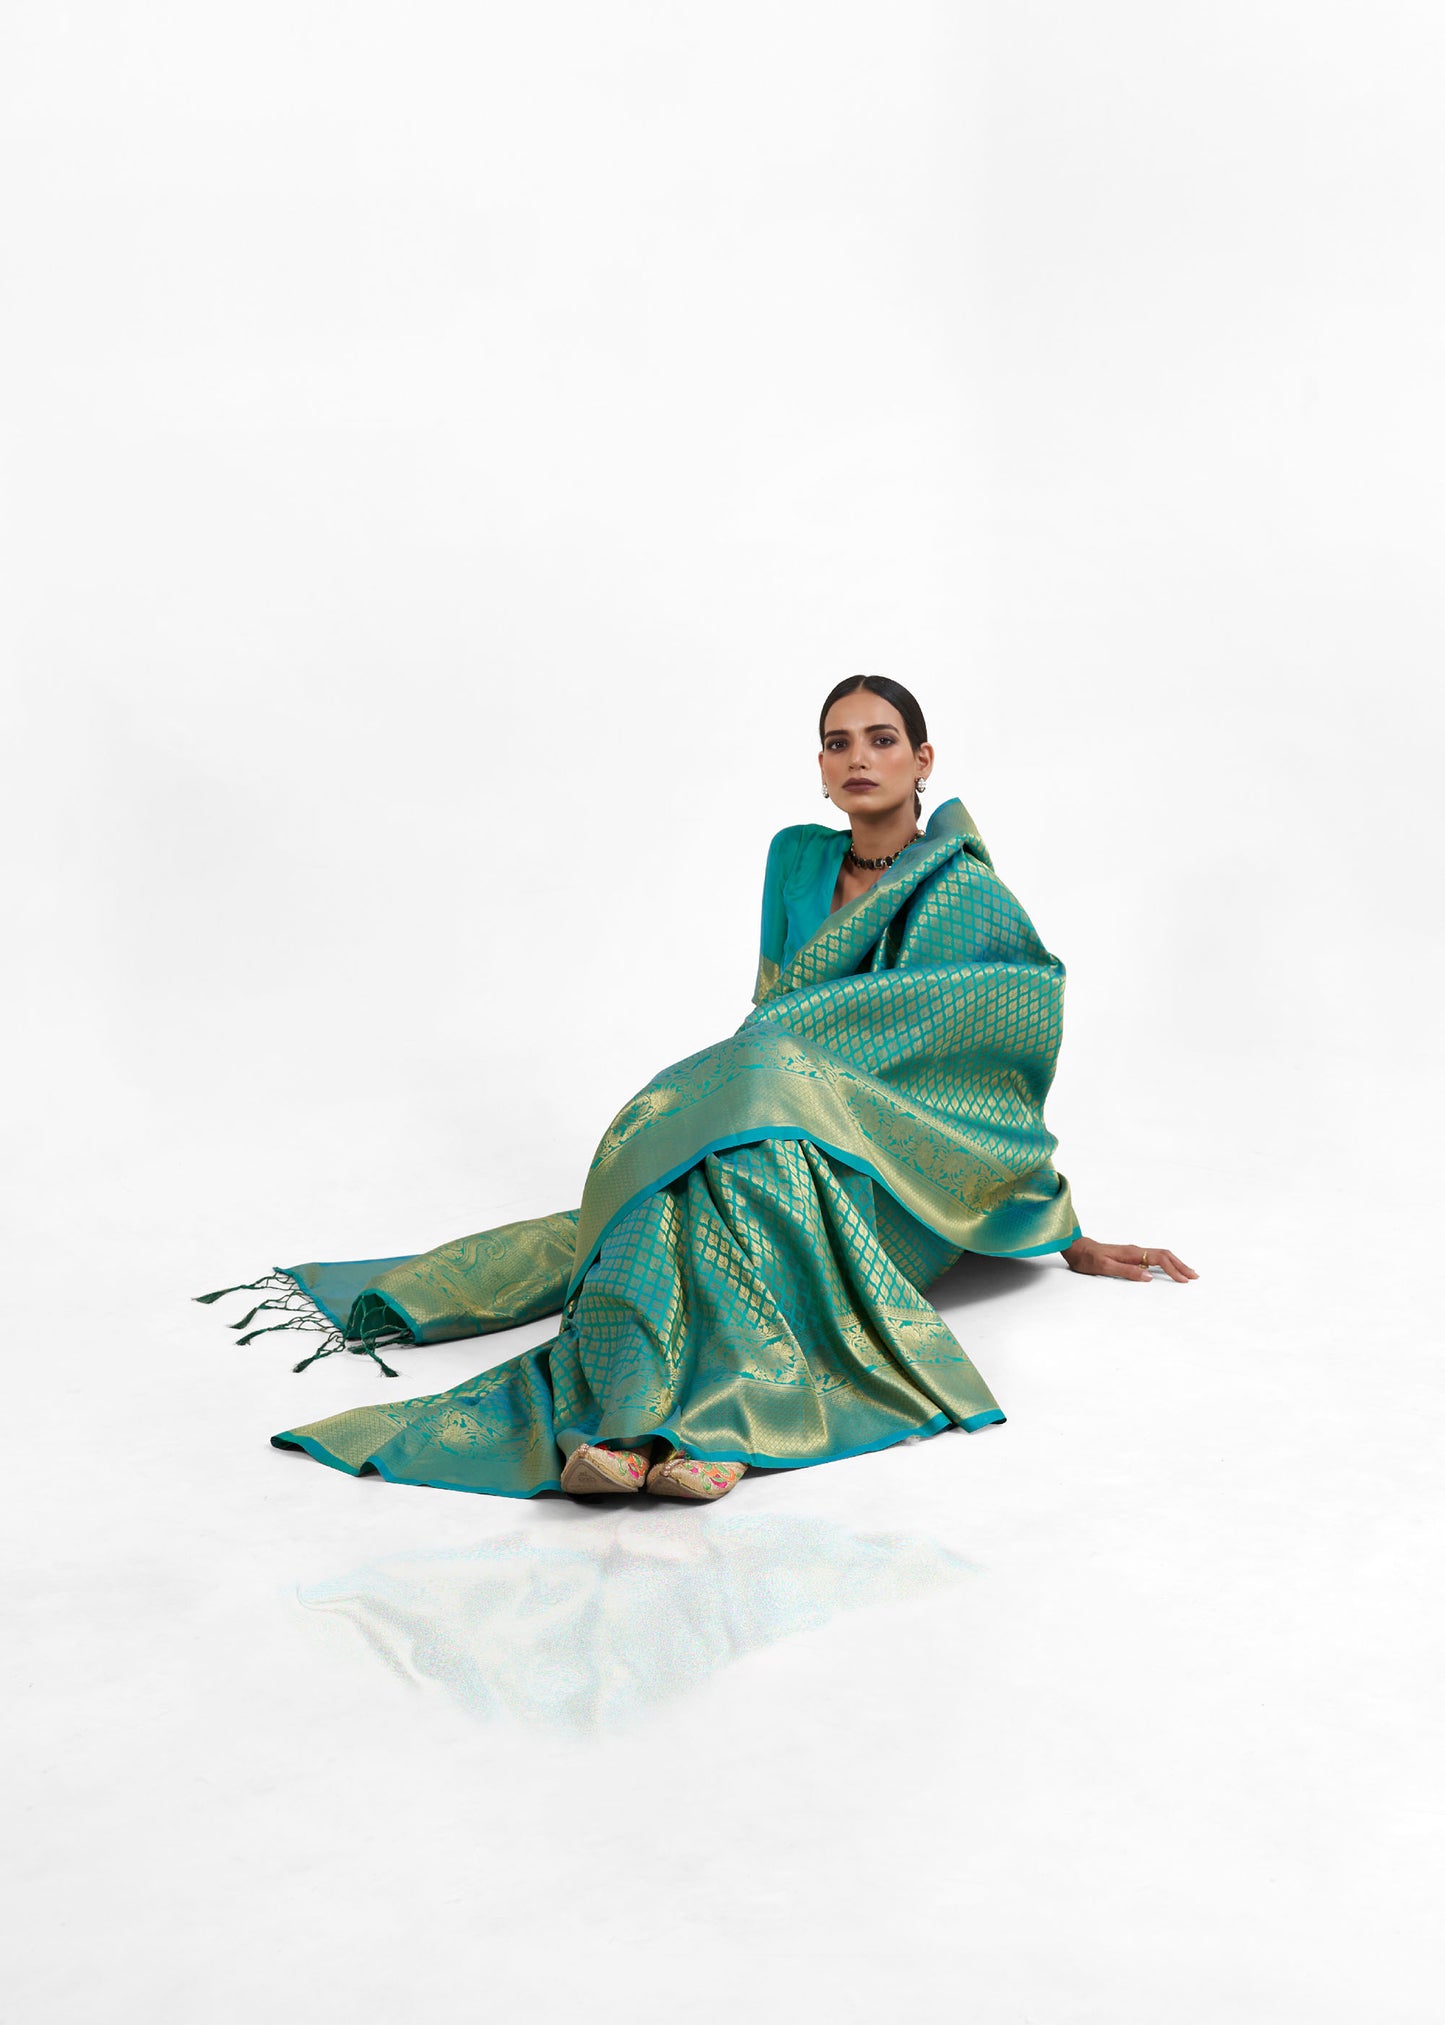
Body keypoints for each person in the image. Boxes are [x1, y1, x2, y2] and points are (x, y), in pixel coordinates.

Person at [198, 674, 1195, 1501]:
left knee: (742, 1184)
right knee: (683, 1190)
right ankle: (633, 1425)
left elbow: (991, 1072)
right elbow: (772, 1012)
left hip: (895, 1172)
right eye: (836, 742)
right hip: (778, 1107)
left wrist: (1066, 1234)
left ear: (922, 760)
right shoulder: (794, 861)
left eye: (882, 739)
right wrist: (758, 1098)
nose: (857, 757)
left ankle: (711, 1429)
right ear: (819, 767)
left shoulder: (961, 891)